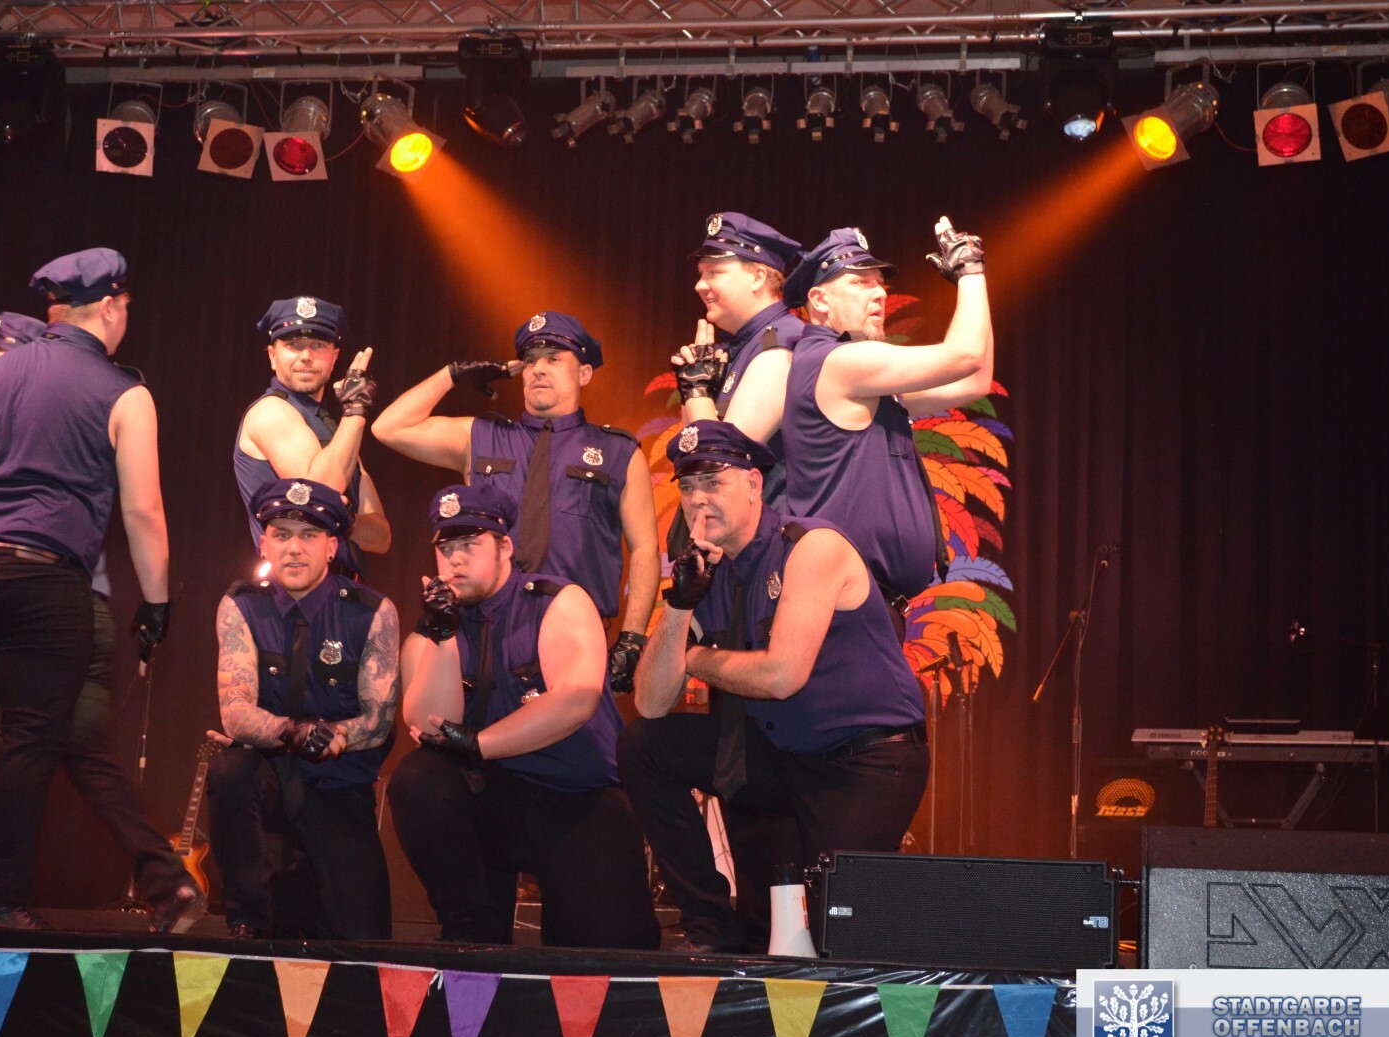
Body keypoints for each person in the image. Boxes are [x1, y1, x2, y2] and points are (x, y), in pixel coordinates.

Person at [0, 247, 193, 931]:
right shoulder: (125, 393)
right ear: (108, 307)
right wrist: (156, 602)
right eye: (125, 308)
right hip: (44, 580)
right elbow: (143, 511)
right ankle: (5, 903)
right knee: (29, 741)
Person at [621, 421, 929, 953]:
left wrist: (694, 657)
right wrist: (679, 603)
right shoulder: (709, 571)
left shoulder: (811, 546)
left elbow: (783, 676)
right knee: (644, 746)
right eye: (687, 488)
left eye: (712, 482)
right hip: (787, 754)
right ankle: (709, 928)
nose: (697, 500)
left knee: (835, 939)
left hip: (865, 762)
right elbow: (649, 701)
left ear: (754, 485)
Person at [0, 310, 201, 929]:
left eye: (5, 361)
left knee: (0, 751)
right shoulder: (60, 404)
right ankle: (167, 879)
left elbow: (140, 510)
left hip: (55, 610)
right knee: (83, 752)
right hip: (78, 610)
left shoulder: (36, 411)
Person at [386, 485, 660, 949]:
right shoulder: (434, 627)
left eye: (469, 544)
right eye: (445, 549)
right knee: (418, 778)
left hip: (574, 798)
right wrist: (442, 636)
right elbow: (429, 726)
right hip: (491, 799)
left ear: (505, 547)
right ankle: (471, 929)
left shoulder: (556, 600)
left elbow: (575, 700)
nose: (455, 560)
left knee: (604, 955)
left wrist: (479, 744)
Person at [371, 312, 658, 692]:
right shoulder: (483, 436)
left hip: (575, 635)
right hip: (485, 632)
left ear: (584, 373)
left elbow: (645, 548)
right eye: (530, 360)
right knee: (472, 729)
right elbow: (389, 428)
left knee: (571, 729)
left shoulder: (618, 452)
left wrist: (633, 638)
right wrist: (451, 376)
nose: (538, 369)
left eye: (553, 358)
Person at [205, 478, 398, 940]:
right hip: (269, 780)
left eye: (309, 535)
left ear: (332, 547)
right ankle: (245, 920)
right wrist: (294, 731)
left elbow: (379, 720)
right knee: (230, 769)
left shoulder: (372, 611)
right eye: (281, 535)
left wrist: (331, 736)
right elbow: (235, 711)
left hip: (338, 784)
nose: (294, 548)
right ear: (264, 544)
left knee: (365, 941)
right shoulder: (240, 607)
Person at [779, 220, 993, 622]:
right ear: (819, 301)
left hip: (863, 605)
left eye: (881, 285)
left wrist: (974, 279)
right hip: (844, 607)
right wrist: (970, 272)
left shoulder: (862, 379)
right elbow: (966, 356)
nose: (879, 293)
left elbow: (975, 379)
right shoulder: (837, 361)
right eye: (861, 283)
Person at [233, 296, 390, 578]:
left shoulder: (335, 430)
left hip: (339, 591)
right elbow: (319, 494)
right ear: (272, 356)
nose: (306, 356)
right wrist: (356, 410)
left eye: (318, 345)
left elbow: (381, 537)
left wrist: (343, 517)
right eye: (293, 344)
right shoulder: (270, 411)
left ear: (334, 358)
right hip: (289, 593)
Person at [671, 211, 805, 509]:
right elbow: (689, 447)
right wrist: (695, 392)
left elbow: (719, 464)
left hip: (771, 531)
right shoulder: (743, 346)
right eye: (701, 273)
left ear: (758, 277)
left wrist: (697, 392)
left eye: (714, 272)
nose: (700, 285)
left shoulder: (781, 344)